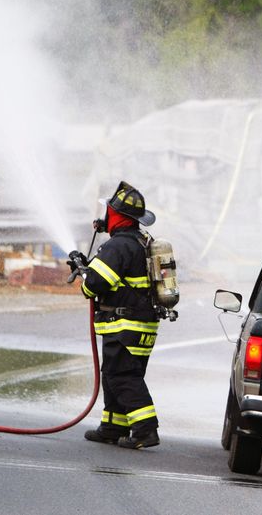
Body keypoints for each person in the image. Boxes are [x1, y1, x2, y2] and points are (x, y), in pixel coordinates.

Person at [68, 181, 161, 449]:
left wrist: (83, 272)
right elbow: (110, 276)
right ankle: (112, 426)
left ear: (117, 215)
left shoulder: (119, 246)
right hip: (139, 325)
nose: (104, 215)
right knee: (115, 373)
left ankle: (146, 430)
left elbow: (95, 285)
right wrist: (86, 267)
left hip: (125, 325)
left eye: (108, 210)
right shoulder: (138, 242)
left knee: (122, 376)